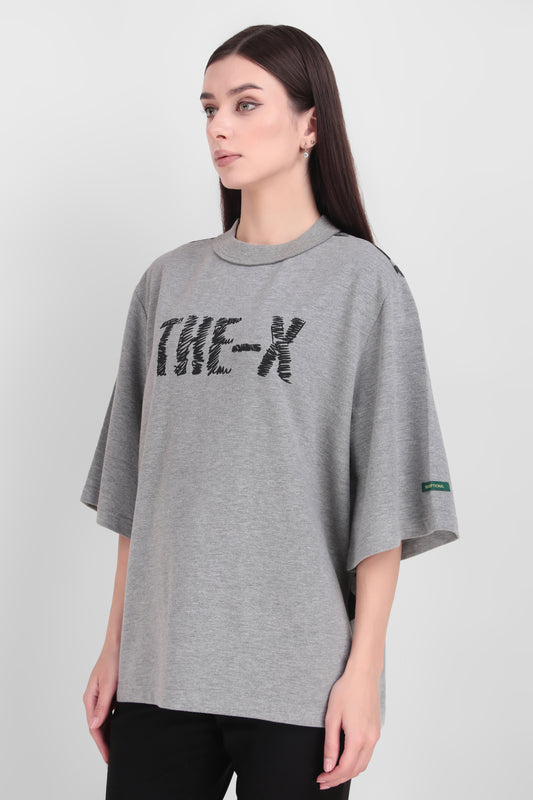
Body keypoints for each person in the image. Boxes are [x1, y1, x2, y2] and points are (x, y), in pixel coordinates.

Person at [80, 23, 460, 799]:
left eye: (246, 104)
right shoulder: (167, 283)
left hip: (300, 683)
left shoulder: (363, 283)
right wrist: (115, 646)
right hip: (159, 674)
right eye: (209, 108)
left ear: (310, 124)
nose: (219, 127)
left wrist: (362, 674)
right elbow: (137, 494)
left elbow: (384, 498)